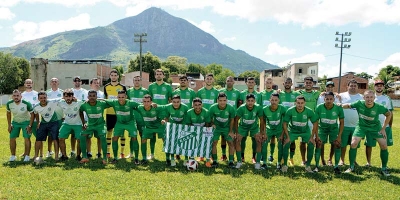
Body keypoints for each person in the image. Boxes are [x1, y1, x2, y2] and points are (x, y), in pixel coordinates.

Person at [341, 90, 392, 176]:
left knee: (384, 145)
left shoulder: (379, 107)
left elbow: (389, 114)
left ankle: (384, 168)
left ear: (374, 98)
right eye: (367, 97)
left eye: (371, 97)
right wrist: (341, 105)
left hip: (375, 128)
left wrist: (383, 128)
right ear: (364, 98)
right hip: (361, 126)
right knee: (353, 144)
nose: (369, 99)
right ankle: (351, 167)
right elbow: (349, 105)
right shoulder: (359, 103)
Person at [281, 96, 318, 173]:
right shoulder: (290, 110)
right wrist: (287, 137)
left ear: (305, 103)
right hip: (293, 131)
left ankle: (308, 166)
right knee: (286, 143)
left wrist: (312, 137)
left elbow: (315, 123)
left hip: (305, 131)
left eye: (302, 103)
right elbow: (285, 123)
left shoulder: (309, 111)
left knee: (311, 144)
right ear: (295, 103)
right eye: (298, 103)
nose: (300, 105)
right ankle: (284, 165)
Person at [104, 90, 141, 164]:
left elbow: (141, 105)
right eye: (119, 97)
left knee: (134, 138)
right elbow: (104, 100)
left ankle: (136, 158)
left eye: (123, 97)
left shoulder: (130, 103)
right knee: (115, 138)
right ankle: (115, 158)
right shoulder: (114, 102)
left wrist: (152, 104)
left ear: (126, 97)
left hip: (130, 122)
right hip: (119, 123)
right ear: (117, 97)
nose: (121, 99)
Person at [365, 80, 394, 167]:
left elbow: (390, 113)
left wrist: (389, 125)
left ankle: (383, 164)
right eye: (377, 85)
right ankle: (368, 163)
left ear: (383, 87)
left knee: (384, 145)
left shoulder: (387, 98)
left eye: (381, 85)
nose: (379, 87)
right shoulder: (370, 97)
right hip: (371, 126)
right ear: (374, 87)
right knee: (369, 144)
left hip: (384, 126)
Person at [314, 92, 344, 174]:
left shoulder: (338, 108)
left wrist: (339, 136)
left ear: (334, 100)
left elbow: (342, 122)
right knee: (319, 144)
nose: (329, 101)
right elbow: (315, 122)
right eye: (327, 99)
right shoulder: (319, 107)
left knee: (337, 144)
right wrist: (316, 135)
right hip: (322, 129)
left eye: (331, 99)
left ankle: (336, 166)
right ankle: (317, 165)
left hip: (333, 129)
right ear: (324, 99)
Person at [79, 90, 111, 164]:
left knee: (102, 137)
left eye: (94, 96)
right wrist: (83, 123)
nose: (92, 97)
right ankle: (84, 157)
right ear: (88, 97)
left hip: (100, 125)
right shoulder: (84, 105)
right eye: (90, 96)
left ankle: (104, 158)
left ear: (97, 97)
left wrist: (102, 99)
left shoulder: (101, 103)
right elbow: (80, 111)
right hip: (90, 124)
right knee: (82, 136)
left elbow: (111, 102)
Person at [147, 69, 172, 160]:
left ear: (163, 76)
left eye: (160, 74)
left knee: (165, 136)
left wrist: (168, 113)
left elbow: (170, 100)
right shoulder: (151, 86)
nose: (158, 76)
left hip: (163, 113)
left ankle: (167, 156)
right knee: (152, 134)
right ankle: (152, 154)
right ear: (155, 76)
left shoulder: (168, 86)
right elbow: (148, 99)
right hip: (153, 113)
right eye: (157, 74)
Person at [30, 91, 61, 164]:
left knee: (55, 138)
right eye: (41, 98)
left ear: (47, 97)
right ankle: (36, 156)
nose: (43, 99)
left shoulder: (52, 102)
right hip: (43, 123)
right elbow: (36, 113)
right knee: (38, 139)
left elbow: (62, 98)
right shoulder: (36, 107)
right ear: (38, 99)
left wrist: (74, 99)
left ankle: (56, 156)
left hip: (54, 122)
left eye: (44, 98)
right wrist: (38, 122)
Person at [235, 93, 264, 169]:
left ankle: (257, 162)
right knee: (237, 140)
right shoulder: (241, 108)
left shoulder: (258, 108)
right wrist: (237, 132)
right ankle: (239, 161)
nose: (250, 102)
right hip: (243, 127)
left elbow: (261, 120)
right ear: (246, 101)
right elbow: (236, 119)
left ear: (255, 101)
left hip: (254, 127)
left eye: (252, 101)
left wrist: (261, 133)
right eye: (248, 101)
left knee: (259, 141)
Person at [136, 94, 167, 165]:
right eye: (144, 101)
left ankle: (168, 159)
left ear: (151, 102)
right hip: (148, 128)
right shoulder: (140, 107)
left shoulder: (156, 107)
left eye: (148, 101)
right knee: (143, 139)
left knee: (165, 140)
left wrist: (164, 119)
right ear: (142, 102)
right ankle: (144, 158)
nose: (146, 103)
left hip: (159, 127)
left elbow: (166, 108)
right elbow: (132, 105)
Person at [208, 92, 236, 168]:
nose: (222, 102)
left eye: (224, 100)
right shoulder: (212, 108)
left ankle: (230, 161)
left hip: (226, 128)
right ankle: (215, 161)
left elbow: (232, 120)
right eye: (220, 100)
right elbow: (209, 118)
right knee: (214, 143)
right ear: (217, 100)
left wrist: (230, 131)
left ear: (227, 100)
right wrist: (212, 123)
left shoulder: (231, 108)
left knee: (231, 143)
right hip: (216, 128)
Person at [317, 81, 341, 166]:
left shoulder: (338, 96)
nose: (330, 88)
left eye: (331, 87)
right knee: (321, 143)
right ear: (325, 88)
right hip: (322, 125)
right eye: (328, 87)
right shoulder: (321, 96)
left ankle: (330, 159)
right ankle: (322, 159)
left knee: (333, 143)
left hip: (333, 124)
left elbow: (340, 108)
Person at [339, 79, 363, 166]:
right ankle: (342, 160)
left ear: (357, 87)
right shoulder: (341, 95)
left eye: (355, 86)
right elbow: (331, 97)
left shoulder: (361, 97)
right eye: (351, 86)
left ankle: (353, 160)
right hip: (344, 125)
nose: (353, 87)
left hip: (357, 126)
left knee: (354, 144)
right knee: (343, 144)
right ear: (347, 86)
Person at [104, 70, 127, 158]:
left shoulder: (122, 87)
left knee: (121, 133)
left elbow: (125, 100)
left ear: (118, 77)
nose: (113, 77)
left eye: (115, 75)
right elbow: (106, 99)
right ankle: (108, 152)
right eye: (112, 75)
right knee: (109, 132)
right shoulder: (106, 87)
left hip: (120, 113)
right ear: (110, 76)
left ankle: (122, 153)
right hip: (109, 113)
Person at [7, 90, 34, 162]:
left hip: (26, 122)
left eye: (17, 96)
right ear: (12, 96)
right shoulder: (9, 104)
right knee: (12, 138)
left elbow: (32, 114)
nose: (16, 97)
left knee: (27, 138)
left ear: (21, 96)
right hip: (15, 122)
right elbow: (8, 114)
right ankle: (13, 156)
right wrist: (9, 125)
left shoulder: (26, 103)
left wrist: (30, 125)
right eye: (14, 96)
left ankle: (27, 156)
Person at [298, 77, 320, 166]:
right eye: (306, 82)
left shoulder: (317, 93)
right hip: (302, 120)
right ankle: (303, 160)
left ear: (313, 84)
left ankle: (312, 161)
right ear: (304, 83)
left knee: (313, 141)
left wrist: (336, 93)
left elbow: (327, 94)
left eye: (310, 83)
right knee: (302, 141)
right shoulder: (299, 93)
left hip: (313, 120)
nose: (308, 84)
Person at [162, 95, 189, 166]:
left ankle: (186, 159)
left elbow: (187, 119)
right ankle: (172, 159)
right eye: (174, 102)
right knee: (172, 142)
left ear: (180, 101)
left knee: (185, 141)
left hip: (182, 125)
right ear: (171, 101)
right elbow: (166, 118)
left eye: (178, 102)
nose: (176, 104)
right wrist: (164, 121)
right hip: (172, 125)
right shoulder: (168, 107)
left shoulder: (185, 107)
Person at [239, 77, 261, 164]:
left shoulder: (259, 95)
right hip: (243, 121)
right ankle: (242, 156)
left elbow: (260, 108)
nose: (251, 83)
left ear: (255, 84)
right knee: (242, 138)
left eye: (252, 82)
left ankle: (254, 157)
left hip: (254, 122)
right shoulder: (242, 94)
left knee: (254, 139)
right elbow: (239, 106)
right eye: (249, 82)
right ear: (246, 83)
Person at [57, 89, 83, 161]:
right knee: (61, 138)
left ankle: (78, 156)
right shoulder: (61, 102)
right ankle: (64, 156)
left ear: (73, 97)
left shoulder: (79, 103)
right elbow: (50, 101)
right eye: (66, 96)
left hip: (78, 124)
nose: (68, 98)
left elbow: (86, 102)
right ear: (63, 97)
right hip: (67, 123)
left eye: (70, 96)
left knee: (79, 139)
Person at [262, 92, 286, 170]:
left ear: (279, 100)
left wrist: (282, 134)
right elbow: (263, 122)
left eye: (276, 100)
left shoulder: (282, 108)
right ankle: (264, 163)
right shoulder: (265, 109)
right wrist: (264, 133)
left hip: (279, 130)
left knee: (280, 145)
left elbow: (285, 122)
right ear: (269, 100)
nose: (274, 102)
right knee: (264, 143)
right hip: (269, 129)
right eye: (272, 100)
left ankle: (279, 163)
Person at [279, 78, 300, 166]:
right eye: (286, 83)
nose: (287, 84)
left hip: (293, 120)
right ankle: (283, 158)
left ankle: (291, 158)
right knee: (282, 139)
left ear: (292, 84)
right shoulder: (279, 94)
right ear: (283, 84)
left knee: (292, 140)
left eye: (289, 83)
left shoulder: (296, 94)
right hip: (282, 120)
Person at [184, 98, 212, 167]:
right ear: (192, 105)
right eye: (195, 105)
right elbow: (188, 124)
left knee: (207, 142)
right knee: (191, 142)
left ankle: (208, 160)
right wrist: (194, 132)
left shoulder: (206, 112)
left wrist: (202, 132)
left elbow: (208, 123)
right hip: (193, 130)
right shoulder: (189, 112)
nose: (197, 107)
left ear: (202, 105)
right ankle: (191, 159)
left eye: (199, 105)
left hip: (204, 130)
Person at [219, 76, 240, 161]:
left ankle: (232, 155)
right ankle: (224, 155)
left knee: (233, 137)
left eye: (231, 81)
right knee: (223, 137)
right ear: (225, 82)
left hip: (233, 118)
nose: (229, 82)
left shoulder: (238, 92)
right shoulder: (221, 91)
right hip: (222, 117)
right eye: (228, 81)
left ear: (234, 82)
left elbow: (239, 104)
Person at [127, 76, 149, 158]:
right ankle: (131, 153)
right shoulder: (129, 91)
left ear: (141, 81)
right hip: (132, 117)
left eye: (138, 80)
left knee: (143, 136)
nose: (137, 82)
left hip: (142, 117)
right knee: (132, 136)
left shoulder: (145, 91)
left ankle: (144, 154)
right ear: (133, 82)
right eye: (135, 80)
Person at [21, 79, 41, 158]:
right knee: (26, 137)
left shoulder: (36, 94)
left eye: (30, 83)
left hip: (35, 119)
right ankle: (26, 152)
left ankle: (40, 154)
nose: (28, 84)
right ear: (25, 84)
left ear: (32, 84)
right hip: (26, 120)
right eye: (27, 83)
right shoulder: (22, 95)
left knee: (38, 137)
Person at [260, 77, 278, 163]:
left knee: (273, 138)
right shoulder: (261, 94)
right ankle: (263, 155)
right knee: (264, 136)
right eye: (267, 82)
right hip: (264, 117)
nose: (269, 84)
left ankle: (271, 154)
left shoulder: (275, 93)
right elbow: (259, 105)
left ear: (272, 84)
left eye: (270, 82)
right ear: (265, 83)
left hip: (273, 117)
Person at [46, 77, 64, 158]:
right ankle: (49, 151)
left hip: (60, 117)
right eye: (52, 81)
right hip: (49, 117)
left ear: (58, 83)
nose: (54, 82)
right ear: (50, 83)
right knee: (50, 135)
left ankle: (60, 151)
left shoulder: (62, 92)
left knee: (59, 135)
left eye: (55, 81)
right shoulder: (47, 93)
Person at [71, 76, 88, 159]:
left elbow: (86, 102)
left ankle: (83, 152)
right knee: (72, 134)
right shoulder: (70, 91)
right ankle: (73, 151)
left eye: (79, 80)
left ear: (81, 82)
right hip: (71, 116)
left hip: (82, 115)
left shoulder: (85, 92)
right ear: (73, 82)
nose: (77, 82)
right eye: (75, 80)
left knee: (81, 135)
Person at [90, 78, 105, 158]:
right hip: (88, 119)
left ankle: (99, 153)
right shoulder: (86, 93)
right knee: (88, 137)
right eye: (94, 83)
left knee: (99, 137)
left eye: (98, 83)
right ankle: (88, 152)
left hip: (99, 119)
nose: (96, 84)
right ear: (90, 84)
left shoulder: (102, 94)